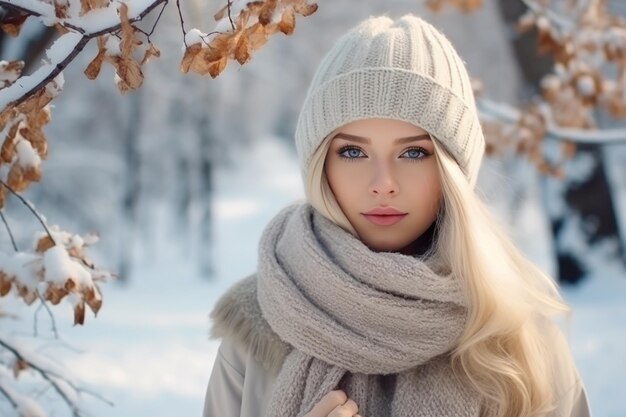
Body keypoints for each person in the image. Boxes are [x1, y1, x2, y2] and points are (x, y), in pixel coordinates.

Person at [202, 14, 593, 417]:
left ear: (452, 171)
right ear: (321, 165)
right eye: (353, 152)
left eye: (414, 152)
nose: (383, 183)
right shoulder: (259, 328)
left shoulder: (523, 346)